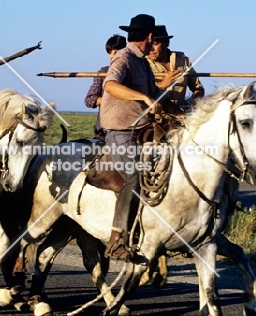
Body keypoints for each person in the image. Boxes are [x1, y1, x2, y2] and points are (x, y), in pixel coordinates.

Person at [99, 14, 163, 260]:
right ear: (149, 37)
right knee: (133, 176)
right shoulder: (123, 57)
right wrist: (144, 99)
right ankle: (116, 241)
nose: (154, 43)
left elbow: (155, 93)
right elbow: (110, 85)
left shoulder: (144, 63)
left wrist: (180, 110)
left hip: (142, 129)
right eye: (154, 39)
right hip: (120, 131)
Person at [146, 25, 205, 113]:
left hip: (181, 116)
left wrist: (196, 99)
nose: (151, 49)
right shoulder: (142, 63)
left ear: (167, 43)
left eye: (155, 44)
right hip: (153, 118)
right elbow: (140, 90)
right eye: (148, 44)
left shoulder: (182, 59)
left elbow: (197, 86)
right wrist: (162, 84)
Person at [84, 35, 126, 138]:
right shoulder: (102, 73)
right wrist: (113, 99)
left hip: (128, 126)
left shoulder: (135, 72)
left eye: (116, 53)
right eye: (110, 52)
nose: (112, 56)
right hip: (105, 129)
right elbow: (90, 100)